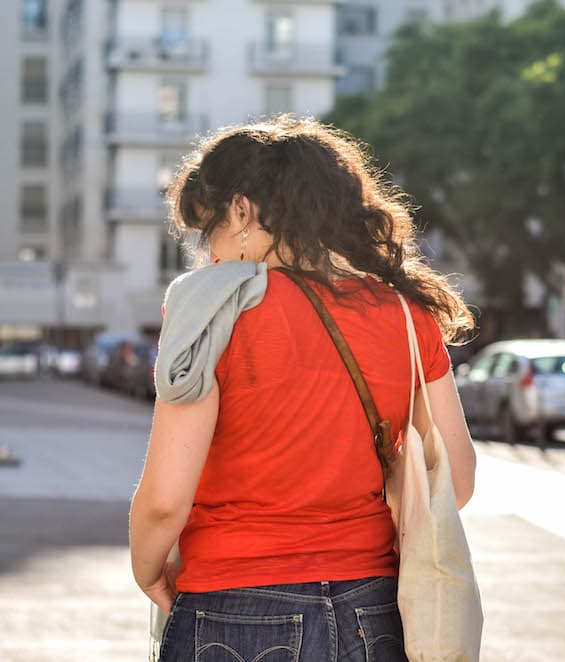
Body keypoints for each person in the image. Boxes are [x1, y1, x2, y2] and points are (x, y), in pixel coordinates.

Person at [129, 116, 477, 662]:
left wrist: (147, 570)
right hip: (375, 610)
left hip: (236, 605)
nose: (210, 255)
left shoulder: (212, 306)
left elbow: (164, 501)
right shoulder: (406, 314)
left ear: (242, 211)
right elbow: (455, 480)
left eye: (210, 231)